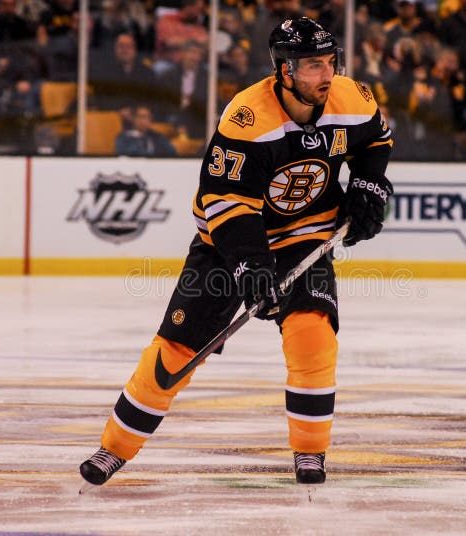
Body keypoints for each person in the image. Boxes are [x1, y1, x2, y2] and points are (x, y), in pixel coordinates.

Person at [80, 16, 393, 487]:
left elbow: (375, 143)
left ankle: (310, 452)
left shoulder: (353, 98)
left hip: (305, 237)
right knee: (176, 350)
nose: (326, 75)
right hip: (226, 246)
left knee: (313, 335)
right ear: (285, 71)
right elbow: (226, 203)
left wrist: (369, 185)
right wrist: (251, 268)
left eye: (330, 62)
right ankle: (115, 447)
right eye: (312, 66)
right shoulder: (247, 118)